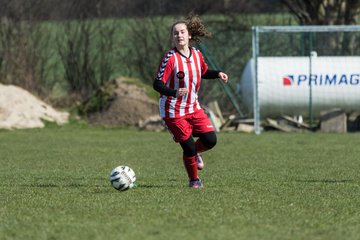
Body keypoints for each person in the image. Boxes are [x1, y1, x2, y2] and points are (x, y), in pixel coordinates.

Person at [153, 14, 228, 189]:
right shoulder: (170, 58)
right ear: (173, 37)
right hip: (173, 110)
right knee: (188, 148)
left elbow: (203, 72)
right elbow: (157, 84)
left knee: (210, 140)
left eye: (182, 32)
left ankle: (194, 153)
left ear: (188, 35)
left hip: (193, 107)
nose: (179, 35)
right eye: (175, 33)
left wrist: (217, 74)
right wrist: (174, 92)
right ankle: (194, 180)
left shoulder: (196, 54)